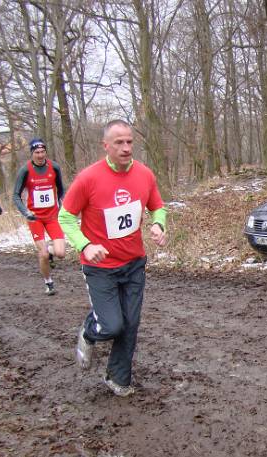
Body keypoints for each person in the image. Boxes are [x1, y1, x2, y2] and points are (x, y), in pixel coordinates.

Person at [58, 120, 167, 396]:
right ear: (105, 146)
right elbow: (66, 217)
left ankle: (118, 379)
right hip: (100, 267)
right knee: (111, 325)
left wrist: (158, 225)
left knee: (130, 325)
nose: (126, 148)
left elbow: (158, 207)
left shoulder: (144, 175)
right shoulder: (88, 178)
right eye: (119, 142)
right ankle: (89, 332)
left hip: (134, 264)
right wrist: (85, 245)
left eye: (129, 141)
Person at [12, 138, 67, 295]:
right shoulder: (25, 170)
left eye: (43, 152)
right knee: (42, 254)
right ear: (32, 153)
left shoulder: (54, 167)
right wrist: (26, 212)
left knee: (61, 253)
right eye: (37, 152)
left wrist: (62, 206)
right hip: (35, 218)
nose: (41, 155)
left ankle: (50, 252)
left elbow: (61, 190)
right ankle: (48, 282)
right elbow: (15, 195)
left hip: (52, 216)